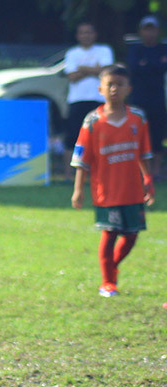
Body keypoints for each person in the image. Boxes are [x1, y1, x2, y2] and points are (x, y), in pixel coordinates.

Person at [70, 64, 155, 297]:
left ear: (129, 89)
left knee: (132, 235)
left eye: (120, 84)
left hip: (132, 189)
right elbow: (82, 159)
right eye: (110, 84)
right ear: (100, 89)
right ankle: (108, 282)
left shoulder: (138, 118)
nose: (115, 89)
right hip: (105, 190)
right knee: (109, 233)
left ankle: (112, 267)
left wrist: (148, 178)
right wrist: (78, 190)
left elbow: (143, 153)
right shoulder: (92, 121)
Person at [63, 22, 114, 178]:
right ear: (78, 36)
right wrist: (94, 69)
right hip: (77, 100)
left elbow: (106, 72)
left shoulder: (104, 50)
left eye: (89, 32)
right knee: (73, 137)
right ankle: (68, 174)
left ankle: (100, 173)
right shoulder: (72, 53)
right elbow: (71, 77)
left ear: (95, 34)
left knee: (101, 137)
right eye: (82, 32)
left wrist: (82, 68)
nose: (86, 35)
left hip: (99, 100)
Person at [126, 15, 167, 180]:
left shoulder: (163, 48)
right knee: (137, 135)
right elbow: (134, 68)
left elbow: (161, 68)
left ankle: (156, 172)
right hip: (138, 99)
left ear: (157, 31)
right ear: (141, 31)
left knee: (157, 136)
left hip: (157, 99)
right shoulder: (135, 50)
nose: (149, 33)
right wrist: (154, 64)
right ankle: (140, 171)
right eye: (146, 29)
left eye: (152, 29)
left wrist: (147, 64)